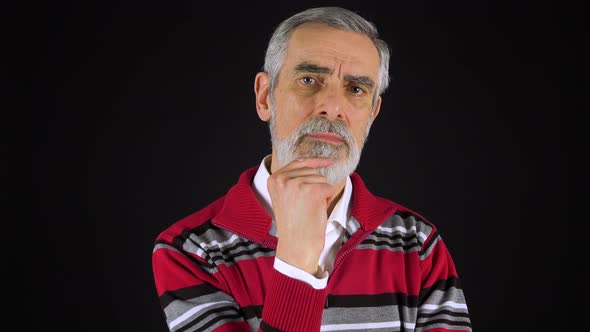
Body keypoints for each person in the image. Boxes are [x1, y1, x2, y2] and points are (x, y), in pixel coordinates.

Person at [152, 6, 471, 332]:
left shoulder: (418, 245)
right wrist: (296, 261)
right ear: (265, 97)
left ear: (372, 113)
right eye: (308, 80)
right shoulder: (190, 250)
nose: (332, 107)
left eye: (356, 89)